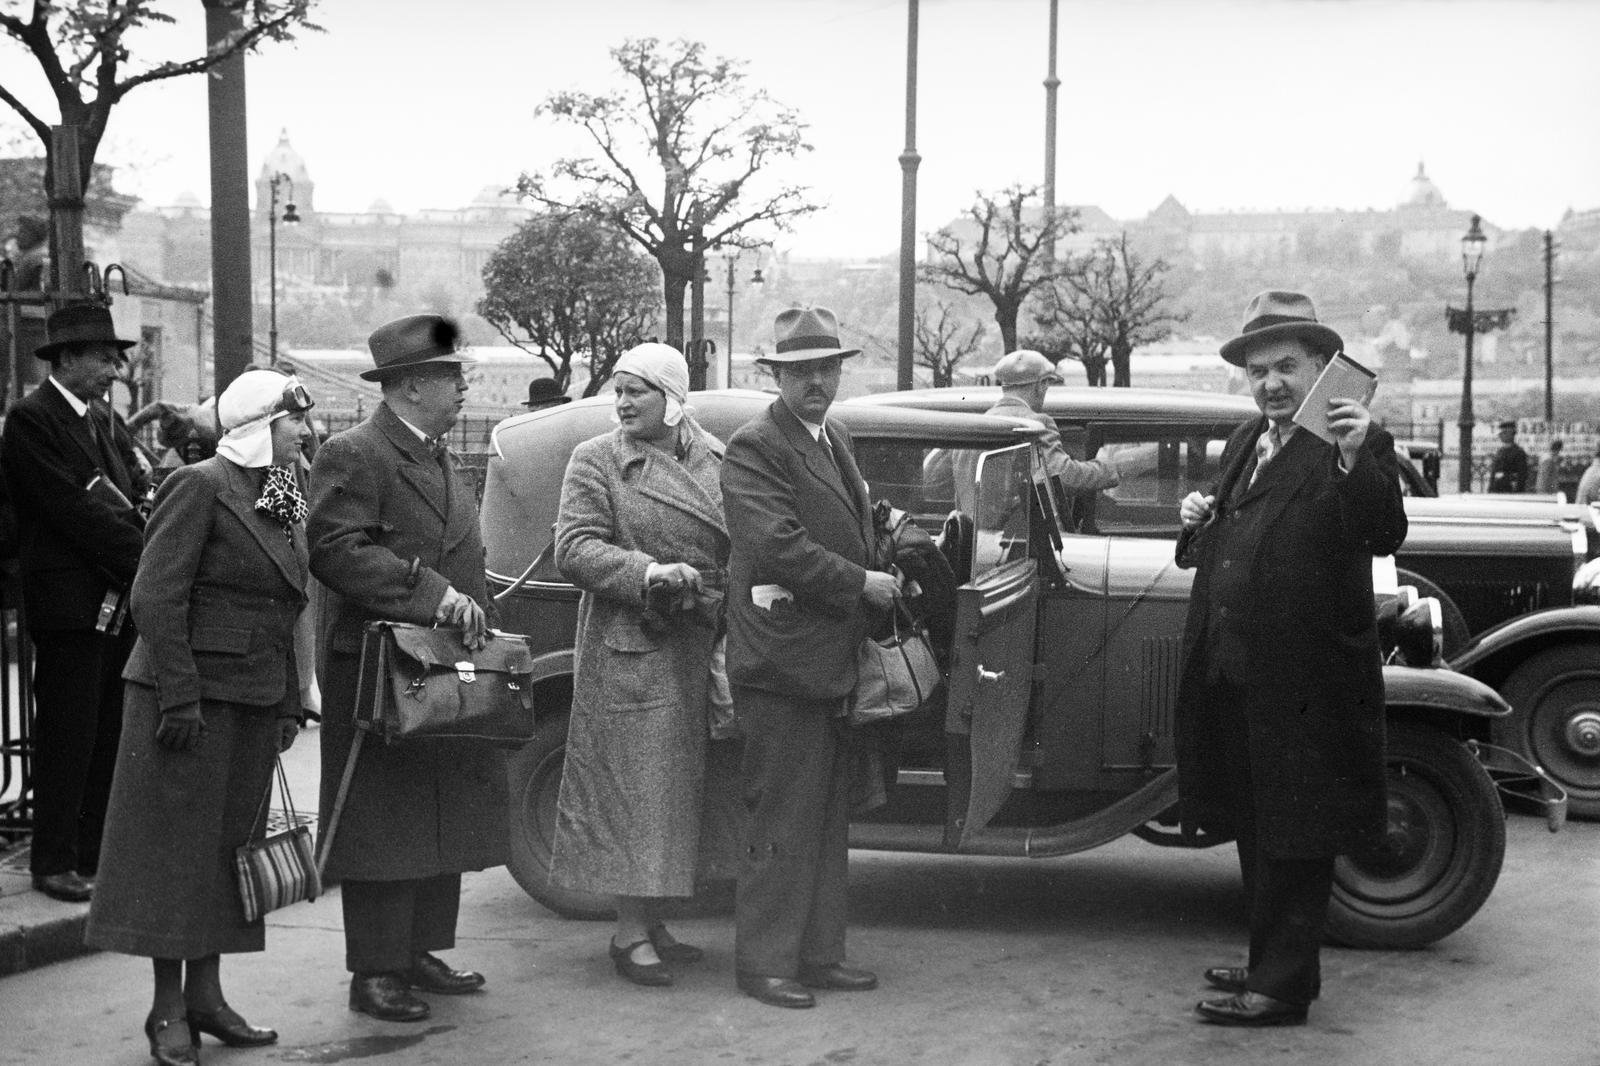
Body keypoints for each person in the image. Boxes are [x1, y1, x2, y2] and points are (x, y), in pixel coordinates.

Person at [1174, 290, 1406, 1027]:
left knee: (1294, 833)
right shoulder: (1249, 441)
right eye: (1257, 371)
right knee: (1257, 821)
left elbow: (1383, 529)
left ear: (1321, 368)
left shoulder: (1354, 439)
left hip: (1304, 682)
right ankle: (1268, 957)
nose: (1270, 383)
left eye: (1286, 368)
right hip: (1237, 670)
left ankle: (1280, 989)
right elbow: (1230, 536)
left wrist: (1351, 453)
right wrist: (1195, 520)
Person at [84, 371, 319, 1066]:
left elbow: (287, 606)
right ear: (256, 427)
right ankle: (166, 1011)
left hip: (248, 701)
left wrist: (285, 701)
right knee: (173, 858)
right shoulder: (199, 484)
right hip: (181, 704)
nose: (304, 435)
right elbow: (155, 596)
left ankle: (208, 999)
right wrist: (181, 698)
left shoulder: (280, 494)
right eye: (292, 424)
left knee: (226, 855)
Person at [307, 313, 506, 1023]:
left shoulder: (435, 454)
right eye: (453, 377)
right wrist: (435, 595)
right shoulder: (356, 453)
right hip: (379, 668)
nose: (462, 389)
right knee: (384, 818)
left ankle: (421, 949)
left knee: (437, 808)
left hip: (440, 663)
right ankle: (376, 969)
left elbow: (463, 559)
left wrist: (475, 618)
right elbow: (334, 549)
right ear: (412, 385)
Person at [722, 305, 895, 1010]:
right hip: (782, 664)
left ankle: (819, 955)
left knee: (824, 819)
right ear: (778, 376)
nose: (817, 382)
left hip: (823, 658)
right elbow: (775, 546)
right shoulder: (756, 445)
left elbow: (842, 522)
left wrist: (883, 542)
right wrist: (862, 581)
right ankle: (764, 965)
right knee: (783, 819)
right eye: (801, 372)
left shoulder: (832, 436)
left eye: (826, 369)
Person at [549, 342, 730, 987]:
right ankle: (627, 934)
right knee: (638, 794)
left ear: (673, 400)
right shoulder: (595, 459)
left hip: (701, 643)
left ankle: (652, 922)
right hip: (634, 647)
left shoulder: (715, 457)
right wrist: (649, 571)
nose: (621, 403)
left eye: (637, 392)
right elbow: (572, 549)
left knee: (681, 796)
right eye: (618, 391)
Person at [0, 303, 147, 903]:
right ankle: (53, 860)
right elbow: (74, 510)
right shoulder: (31, 422)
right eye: (103, 356)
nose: (114, 367)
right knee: (68, 735)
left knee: (108, 731)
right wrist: (147, 559)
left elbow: (131, 493)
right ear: (65, 358)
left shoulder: (104, 421)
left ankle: (92, 854)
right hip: (70, 605)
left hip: (115, 598)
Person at [987, 349, 1119, 493]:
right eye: (1047, 385)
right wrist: (1110, 467)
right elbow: (1063, 477)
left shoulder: (977, 425)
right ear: (1041, 385)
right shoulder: (1035, 425)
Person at [1487, 420, 1529, 493]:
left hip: (1510, 489)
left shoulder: (1519, 452)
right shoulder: (1500, 451)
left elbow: (1522, 475)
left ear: (1511, 434)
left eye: (1504, 433)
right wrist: (1490, 489)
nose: (1500, 436)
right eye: (1501, 433)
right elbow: (1493, 473)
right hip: (1497, 489)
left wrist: (1517, 491)